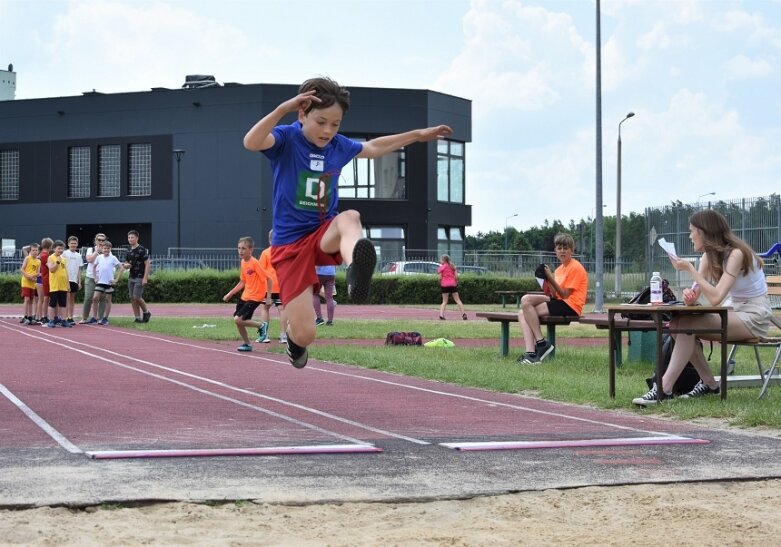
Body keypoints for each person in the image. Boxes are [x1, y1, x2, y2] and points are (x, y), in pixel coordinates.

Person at [243, 76, 452, 368]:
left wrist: (418, 134)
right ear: (302, 113)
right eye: (321, 122)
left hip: (322, 233)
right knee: (306, 334)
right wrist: (282, 109)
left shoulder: (338, 146)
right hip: (289, 245)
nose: (328, 131)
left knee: (350, 217)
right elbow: (251, 141)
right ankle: (294, 339)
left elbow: (375, 148)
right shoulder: (287, 138)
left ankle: (356, 269)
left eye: (335, 124)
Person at [633, 209, 774, 405]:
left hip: (754, 315)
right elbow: (697, 291)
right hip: (733, 310)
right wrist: (690, 297)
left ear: (704, 232)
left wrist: (690, 269)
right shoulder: (708, 256)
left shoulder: (736, 254)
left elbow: (715, 298)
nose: (690, 236)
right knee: (677, 325)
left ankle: (664, 388)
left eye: (692, 231)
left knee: (685, 325)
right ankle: (708, 383)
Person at [517, 233, 588, 365]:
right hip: (560, 301)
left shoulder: (575, 267)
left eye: (565, 248)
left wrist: (549, 277)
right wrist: (545, 279)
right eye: (559, 248)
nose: (562, 251)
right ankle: (531, 354)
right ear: (555, 250)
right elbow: (555, 295)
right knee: (523, 308)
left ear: (571, 250)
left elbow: (565, 295)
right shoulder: (560, 269)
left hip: (571, 306)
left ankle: (541, 343)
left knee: (526, 305)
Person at [222, 236, 267, 352]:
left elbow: (268, 279)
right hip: (245, 296)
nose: (240, 251)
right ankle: (247, 344)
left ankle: (261, 326)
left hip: (256, 297)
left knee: (238, 319)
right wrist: (230, 293)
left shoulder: (255, 263)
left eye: (243, 248)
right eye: (239, 248)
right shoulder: (243, 262)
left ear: (251, 250)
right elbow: (243, 282)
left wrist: (269, 297)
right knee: (239, 321)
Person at [257, 231, 287, 343]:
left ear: (269, 240)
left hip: (268, 286)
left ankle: (265, 335)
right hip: (281, 285)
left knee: (265, 308)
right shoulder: (284, 252)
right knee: (282, 309)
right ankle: (284, 335)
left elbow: (261, 271)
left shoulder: (265, 253)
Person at [87, 240, 123, 326]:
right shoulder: (99, 257)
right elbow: (94, 267)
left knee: (108, 300)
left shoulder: (113, 258)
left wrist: (116, 279)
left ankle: (105, 318)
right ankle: (94, 318)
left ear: (110, 249)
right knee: (95, 298)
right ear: (102, 249)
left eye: (108, 248)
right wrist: (95, 277)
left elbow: (121, 268)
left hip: (109, 282)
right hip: (100, 282)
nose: (106, 250)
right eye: (104, 248)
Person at [124, 230, 151, 323]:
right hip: (131, 276)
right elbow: (127, 262)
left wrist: (145, 278)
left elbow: (147, 264)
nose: (130, 239)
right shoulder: (128, 250)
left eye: (132, 237)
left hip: (140, 277)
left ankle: (146, 312)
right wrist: (126, 265)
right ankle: (137, 317)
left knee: (137, 297)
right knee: (132, 298)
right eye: (129, 237)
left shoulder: (141, 249)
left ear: (137, 238)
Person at [80, 233, 107, 324]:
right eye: (99, 240)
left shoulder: (107, 250)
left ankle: (99, 318)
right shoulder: (90, 249)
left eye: (103, 240)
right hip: (91, 277)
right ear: (95, 241)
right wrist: (97, 252)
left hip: (102, 279)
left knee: (102, 298)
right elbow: (89, 260)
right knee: (88, 297)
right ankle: (84, 317)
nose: (101, 242)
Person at [44, 240, 71, 328]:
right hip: (55, 285)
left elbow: (66, 272)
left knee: (63, 303)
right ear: (54, 249)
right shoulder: (51, 258)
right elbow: (51, 269)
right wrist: (57, 262)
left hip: (63, 285)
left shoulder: (64, 259)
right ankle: (51, 320)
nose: (60, 250)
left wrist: (68, 284)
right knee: (52, 303)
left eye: (62, 249)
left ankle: (63, 320)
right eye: (59, 248)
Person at [437, 255, 467, 321]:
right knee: (457, 300)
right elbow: (456, 276)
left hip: (444, 285)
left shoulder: (441, 268)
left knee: (444, 301)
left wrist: (440, 283)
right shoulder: (453, 267)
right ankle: (464, 314)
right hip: (453, 284)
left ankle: (441, 315)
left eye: (441, 260)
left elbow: (439, 277)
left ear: (443, 260)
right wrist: (456, 282)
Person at [62, 235, 83, 325]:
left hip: (74, 280)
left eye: (75, 243)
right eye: (72, 243)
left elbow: (79, 269)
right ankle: (65, 316)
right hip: (66, 279)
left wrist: (79, 282)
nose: (73, 245)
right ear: (68, 244)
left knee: (72, 299)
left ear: (77, 244)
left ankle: (71, 317)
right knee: (66, 298)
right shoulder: (64, 253)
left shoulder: (78, 255)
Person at [19, 243, 41, 325]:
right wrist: (28, 276)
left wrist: (34, 277)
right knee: (27, 299)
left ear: (38, 251)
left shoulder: (38, 261)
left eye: (36, 250)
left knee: (31, 300)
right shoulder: (27, 258)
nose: (34, 252)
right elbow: (22, 269)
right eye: (33, 250)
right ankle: (25, 316)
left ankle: (30, 316)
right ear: (30, 251)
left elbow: (38, 272)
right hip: (26, 282)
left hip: (32, 282)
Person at [36, 237, 53, 324]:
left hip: (45, 278)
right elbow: (50, 267)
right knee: (46, 298)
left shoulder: (43, 254)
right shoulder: (45, 256)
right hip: (46, 278)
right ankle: (44, 316)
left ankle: (42, 316)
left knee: (44, 298)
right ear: (50, 246)